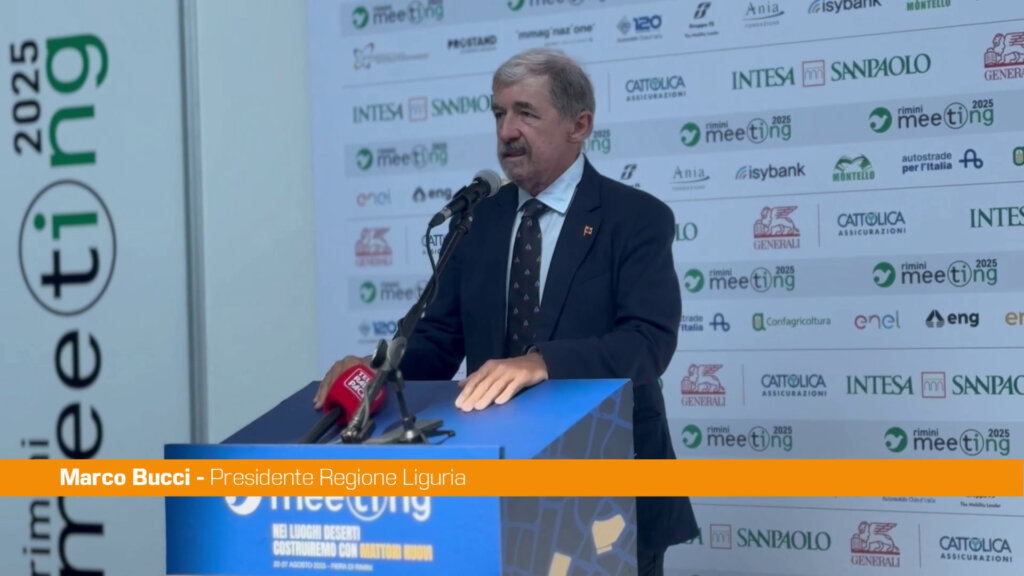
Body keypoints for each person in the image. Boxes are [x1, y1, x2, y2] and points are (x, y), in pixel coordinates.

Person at [316, 47, 698, 575]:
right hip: (499, 481)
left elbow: (647, 343)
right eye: (499, 114)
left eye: (526, 113)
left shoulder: (634, 217)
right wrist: (375, 375)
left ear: (579, 125)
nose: (506, 131)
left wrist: (543, 363)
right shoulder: (478, 221)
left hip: (609, 481)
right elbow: (438, 340)